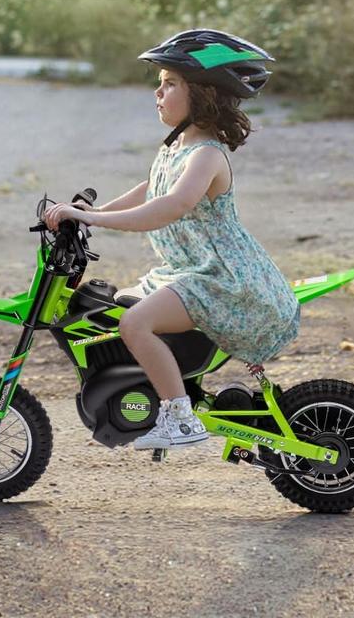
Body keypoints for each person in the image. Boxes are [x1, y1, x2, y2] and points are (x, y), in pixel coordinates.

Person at [43, 29, 301, 451]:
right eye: (160, 83)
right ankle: (153, 396)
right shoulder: (177, 147)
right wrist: (94, 213)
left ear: (202, 94)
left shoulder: (207, 155)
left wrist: (97, 220)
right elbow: (151, 189)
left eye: (170, 83)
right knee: (117, 307)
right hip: (186, 272)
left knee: (135, 323)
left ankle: (180, 418)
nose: (158, 92)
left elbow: (171, 205)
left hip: (219, 280)